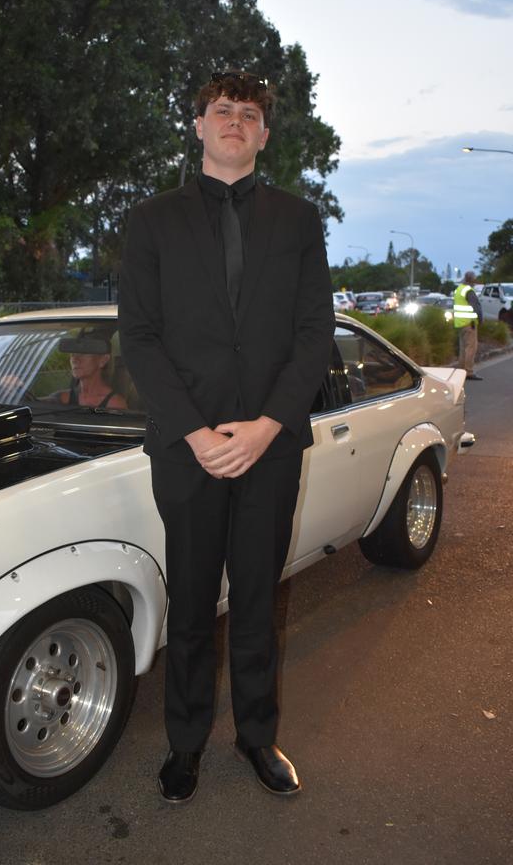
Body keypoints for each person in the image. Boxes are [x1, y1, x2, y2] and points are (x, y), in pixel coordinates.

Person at [118, 70, 334, 803]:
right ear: (199, 126)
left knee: (257, 602)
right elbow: (140, 339)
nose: (235, 121)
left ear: (264, 134)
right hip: (187, 450)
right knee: (190, 602)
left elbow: (314, 334)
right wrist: (198, 434)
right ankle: (184, 745)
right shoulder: (150, 221)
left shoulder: (299, 221)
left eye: (248, 114)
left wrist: (269, 424)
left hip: (271, 447)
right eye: (222, 111)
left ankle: (256, 736)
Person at [50, 333, 127, 407]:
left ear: (103, 360)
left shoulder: (115, 403)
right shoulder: (62, 398)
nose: (75, 359)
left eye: (83, 353)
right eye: (72, 354)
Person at [453, 272, 483, 381]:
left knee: (463, 348)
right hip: (469, 323)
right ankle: (468, 372)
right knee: (471, 348)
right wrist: (480, 319)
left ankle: (461, 371)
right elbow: (476, 307)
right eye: (475, 280)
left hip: (460, 323)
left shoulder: (459, 289)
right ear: (472, 280)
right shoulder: (469, 291)